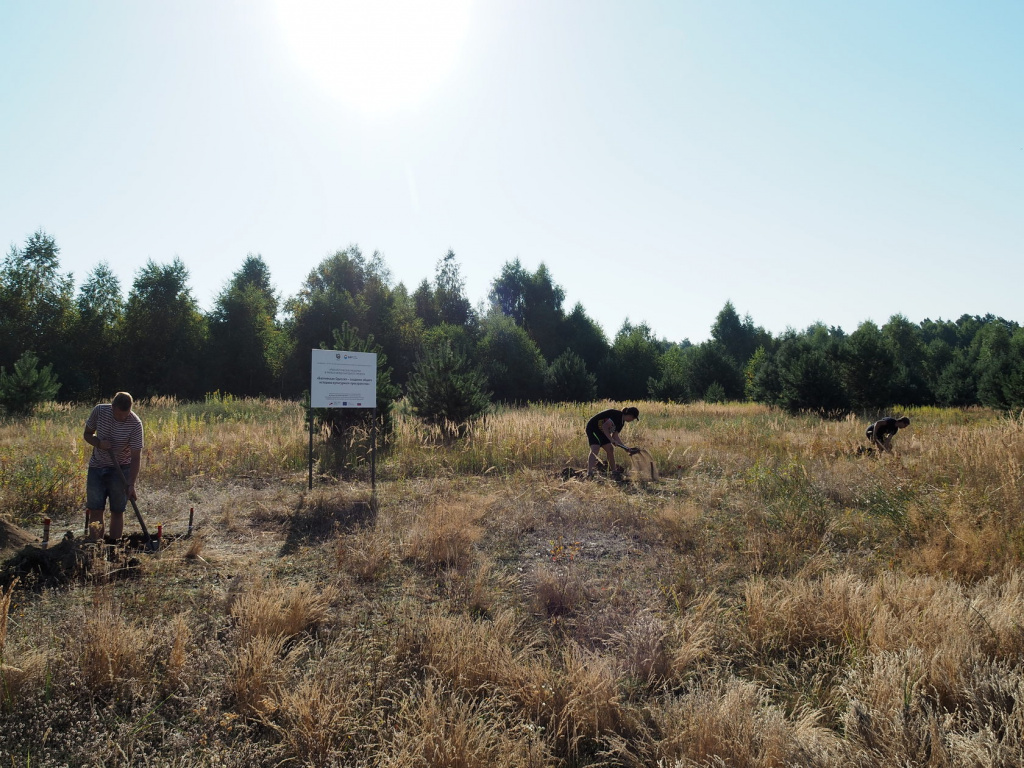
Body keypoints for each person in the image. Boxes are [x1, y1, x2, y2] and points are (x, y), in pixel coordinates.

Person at [83, 392, 144, 541]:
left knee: (117, 510)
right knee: (96, 510)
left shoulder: (135, 424)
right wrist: (99, 444)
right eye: (119, 415)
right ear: (112, 407)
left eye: (125, 415)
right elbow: (87, 434)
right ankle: (96, 546)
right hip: (97, 467)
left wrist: (131, 484)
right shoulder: (99, 411)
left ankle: (114, 547)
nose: (122, 418)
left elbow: (136, 457)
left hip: (121, 469)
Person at [586, 406, 640, 477]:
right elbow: (604, 427)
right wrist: (611, 440)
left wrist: (625, 448)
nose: (632, 420)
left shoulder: (621, 423)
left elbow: (615, 436)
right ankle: (589, 473)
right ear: (630, 415)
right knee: (595, 448)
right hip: (593, 428)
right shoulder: (617, 416)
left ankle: (614, 472)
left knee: (610, 449)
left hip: (602, 432)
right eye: (633, 418)